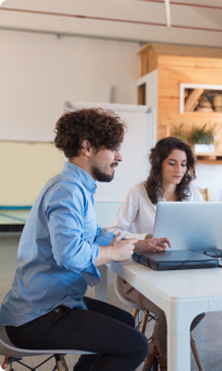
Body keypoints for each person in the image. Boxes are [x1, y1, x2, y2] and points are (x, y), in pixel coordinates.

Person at [0, 108, 171, 371]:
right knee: (136, 345)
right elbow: (70, 254)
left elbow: (93, 235)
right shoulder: (68, 190)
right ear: (87, 147)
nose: (119, 156)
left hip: (51, 303)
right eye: (113, 148)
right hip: (36, 317)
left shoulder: (74, 185)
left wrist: (138, 244)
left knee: (125, 322)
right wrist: (113, 253)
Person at [108, 136, 204, 371]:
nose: (179, 169)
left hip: (180, 271)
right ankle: (167, 364)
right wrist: (144, 239)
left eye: (183, 164)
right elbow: (114, 232)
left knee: (200, 306)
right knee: (166, 311)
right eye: (172, 162)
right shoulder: (138, 192)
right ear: (159, 163)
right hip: (140, 272)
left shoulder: (193, 194)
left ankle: (155, 348)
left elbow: (202, 231)